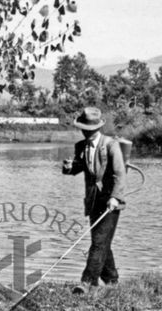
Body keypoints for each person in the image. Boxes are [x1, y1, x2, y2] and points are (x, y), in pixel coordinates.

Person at [62, 106, 126, 291]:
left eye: (90, 130)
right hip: (92, 201)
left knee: (98, 242)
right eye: (84, 129)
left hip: (110, 202)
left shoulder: (111, 145)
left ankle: (87, 283)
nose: (87, 133)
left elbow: (120, 174)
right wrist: (69, 167)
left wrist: (115, 198)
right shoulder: (80, 146)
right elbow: (79, 167)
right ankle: (112, 281)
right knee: (102, 241)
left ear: (98, 128)